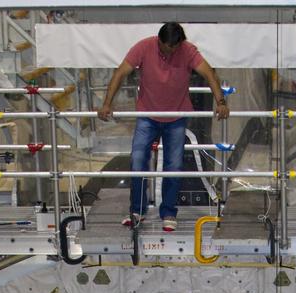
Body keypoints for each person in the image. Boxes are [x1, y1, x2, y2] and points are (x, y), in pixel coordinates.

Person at [97, 22, 230, 231]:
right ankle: (137, 211)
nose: (169, 52)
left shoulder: (188, 50)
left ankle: (168, 212)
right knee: (138, 159)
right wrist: (107, 104)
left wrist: (221, 102)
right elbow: (120, 73)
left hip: (176, 117)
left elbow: (209, 74)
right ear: (159, 41)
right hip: (147, 116)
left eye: (173, 48)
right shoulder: (144, 47)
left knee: (174, 166)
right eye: (165, 48)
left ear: (180, 43)